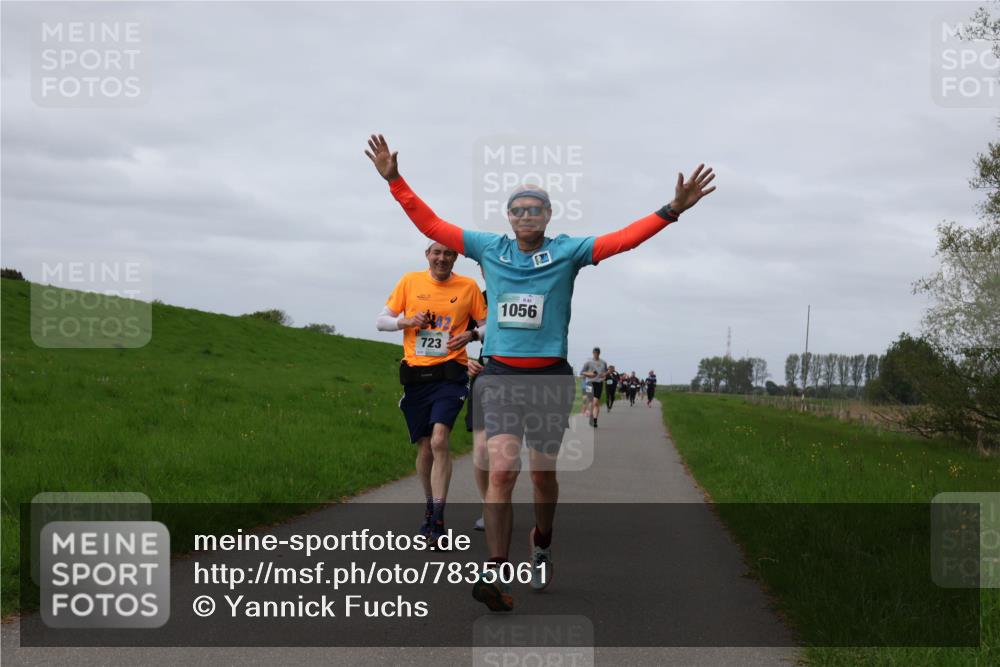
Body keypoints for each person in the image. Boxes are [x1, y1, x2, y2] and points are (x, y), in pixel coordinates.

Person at [365, 133, 716, 612]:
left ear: (548, 216)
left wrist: (671, 210)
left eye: (535, 209)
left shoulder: (569, 251)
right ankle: (494, 571)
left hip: (550, 378)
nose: (526, 215)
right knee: (503, 471)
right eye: (518, 209)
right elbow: (432, 223)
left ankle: (543, 539)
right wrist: (395, 181)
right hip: (502, 377)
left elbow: (621, 240)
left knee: (543, 477)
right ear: (508, 218)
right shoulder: (490, 249)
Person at [376, 241, 487, 548]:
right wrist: (405, 321)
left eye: (448, 253)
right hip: (416, 375)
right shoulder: (409, 281)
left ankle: (438, 516)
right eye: (436, 252)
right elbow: (381, 320)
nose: (442, 258)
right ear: (428, 256)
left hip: (451, 374)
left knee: (440, 440)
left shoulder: (468, 287)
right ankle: (429, 505)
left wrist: (473, 334)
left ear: (455, 257)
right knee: (425, 448)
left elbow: (489, 325)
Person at [580, 347, 608, 428]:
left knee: (596, 403)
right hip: (590, 383)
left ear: (599, 353)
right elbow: (582, 372)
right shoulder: (588, 362)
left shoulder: (603, 362)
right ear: (593, 353)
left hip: (599, 384)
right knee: (591, 401)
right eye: (595, 352)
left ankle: (594, 420)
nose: (596, 354)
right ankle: (592, 418)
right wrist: (590, 374)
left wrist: (604, 377)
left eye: (597, 352)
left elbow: (605, 372)